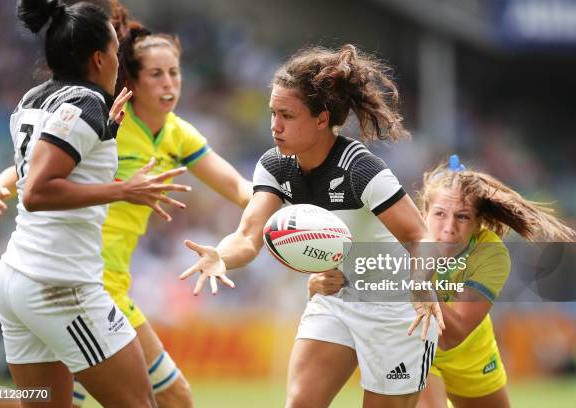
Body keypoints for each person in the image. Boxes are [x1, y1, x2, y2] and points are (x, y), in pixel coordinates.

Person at [0, 2, 252, 406]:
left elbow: (35, 165)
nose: (169, 84)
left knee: (43, 404)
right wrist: (122, 190)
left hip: (19, 276)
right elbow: (37, 187)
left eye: (174, 73)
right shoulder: (90, 104)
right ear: (100, 59)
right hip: (65, 283)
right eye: (115, 52)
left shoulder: (36, 99)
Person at [180, 44, 444, 408]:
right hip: (334, 298)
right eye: (272, 113)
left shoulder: (361, 169)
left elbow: (421, 236)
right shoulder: (275, 165)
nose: (275, 126)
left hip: (397, 308)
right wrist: (222, 256)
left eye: (287, 115)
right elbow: (248, 235)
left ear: (322, 118)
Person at [309, 155, 576, 408]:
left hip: (470, 354)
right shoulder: (393, 238)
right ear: (423, 213)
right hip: (412, 346)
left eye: (462, 217)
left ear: (478, 223)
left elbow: (454, 335)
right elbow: (338, 284)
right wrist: (318, 284)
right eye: (439, 214)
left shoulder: (490, 253)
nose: (449, 227)